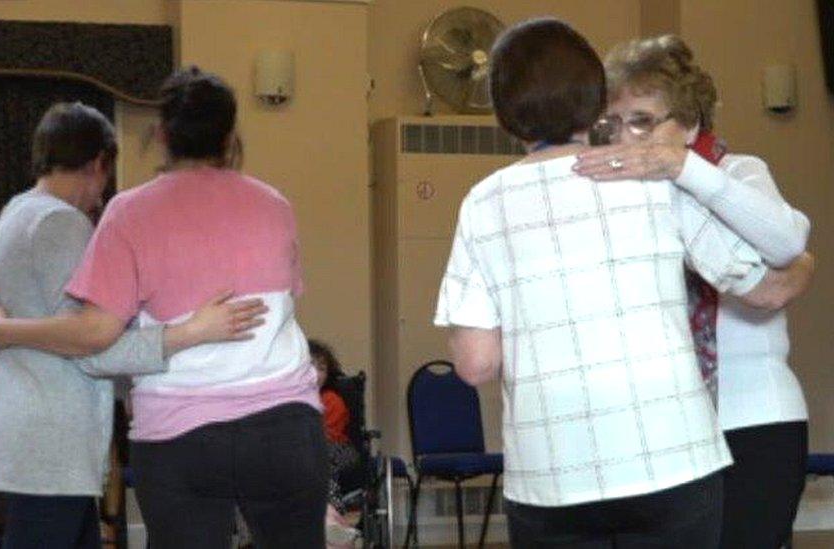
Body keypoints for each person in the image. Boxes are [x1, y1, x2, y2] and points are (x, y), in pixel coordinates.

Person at [434, 18, 805, 548]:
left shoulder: (483, 203)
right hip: (672, 458)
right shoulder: (651, 181)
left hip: (551, 475)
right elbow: (760, 272)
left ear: (504, 117)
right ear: (595, 105)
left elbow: (475, 364)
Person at [0, 67, 326, 548]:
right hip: (283, 428)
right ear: (230, 136)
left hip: (180, 438)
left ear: (162, 135)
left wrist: (8, 329)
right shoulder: (274, 204)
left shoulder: (128, 212)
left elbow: (97, 332)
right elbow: (287, 297)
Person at [572, 34, 814, 549]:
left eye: (642, 120)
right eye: (614, 124)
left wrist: (682, 172)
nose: (625, 137)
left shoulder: (737, 173)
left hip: (757, 419)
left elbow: (789, 242)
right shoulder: (618, 200)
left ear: (689, 122)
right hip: (663, 423)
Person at [308, 340, 362, 547]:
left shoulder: (331, 400)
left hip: (338, 449)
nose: (316, 373)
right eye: (310, 365)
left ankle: (331, 514)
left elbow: (327, 436)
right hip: (307, 453)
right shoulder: (288, 401)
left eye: (322, 368)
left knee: (321, 457)